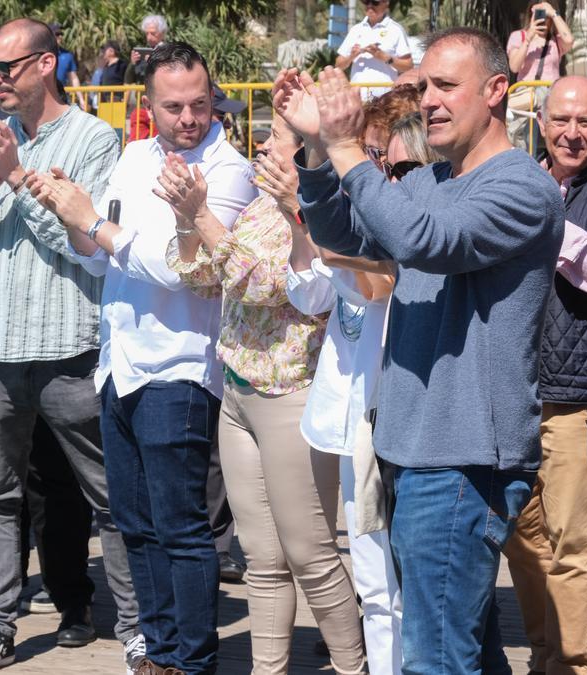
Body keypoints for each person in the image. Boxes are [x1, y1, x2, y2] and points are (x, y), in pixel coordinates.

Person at [274, 26, 564, 672]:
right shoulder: (431, 180)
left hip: (462, 463)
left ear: (496, 90)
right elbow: (346, 233)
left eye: (445, 86)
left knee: (433, 660)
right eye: (423, 85)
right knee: (461, 651)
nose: (428, 99)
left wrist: (349, 148)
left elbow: (423, 240)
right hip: (412, 453)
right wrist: (319, 153)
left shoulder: (522, 187)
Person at [29, 42, 257, 675]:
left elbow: (185, 271)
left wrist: (94, 225)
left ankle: (192, 662)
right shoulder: (132, 156)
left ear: (215, 99)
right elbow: (98, 255)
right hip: (120, 363)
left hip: (182, 368)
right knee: (135, 525)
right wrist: (71, 214)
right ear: (149, 105)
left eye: (200, 103)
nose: (189, 117)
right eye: (174, 106)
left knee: (183, 529)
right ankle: (157, 656)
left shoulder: (229, 169)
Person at [0, 19, 140, 675]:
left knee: (109, 495)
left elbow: (84, 246)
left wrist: (18, 177)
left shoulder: (94, 140)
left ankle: (138, 627)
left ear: (45, 65)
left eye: (5, 67)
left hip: (67, 347)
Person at [159, 117, 365, 674]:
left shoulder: (325, 215)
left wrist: (201, 215)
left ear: (304, 153)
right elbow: (204, 278)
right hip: (240, 396)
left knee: (312, 556)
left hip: (291, 397)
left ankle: (354, 667)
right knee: (264, 560)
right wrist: (185, 218)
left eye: (274, 136)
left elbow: (265, 284)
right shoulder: (256, 207)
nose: (261, 143)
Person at [499, 76, 587, 675]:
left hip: (579, 397)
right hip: (514, 392)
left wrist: (549, 222)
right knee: (523, 541)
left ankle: (570, 666)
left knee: (574, 543)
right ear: (541, 121)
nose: (574, 133)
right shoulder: (519, 178)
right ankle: (544, 657)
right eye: (563, 120)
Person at [286, 115, 406, 673]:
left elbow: (380, 282)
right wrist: (300, 222)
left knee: (393, 586)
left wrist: (318, 226)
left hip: (391, 424)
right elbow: (308, 293)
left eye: (382, 160)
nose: (368, 171)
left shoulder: (401, 227)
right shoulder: (345, 224)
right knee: (374, 584)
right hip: (347, 415)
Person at [506, 1, 574, 155]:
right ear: (531, 16)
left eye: (546, 16)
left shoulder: (556, 41)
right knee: (521, 137)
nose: (543, 20)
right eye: (538, 16)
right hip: (526, 96)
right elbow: (514, 66)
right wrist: (528, 38)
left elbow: (569, 40)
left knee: (550, 136)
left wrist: (554, 13)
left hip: (550, 97)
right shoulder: (518, 36)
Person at [335, 0, 413, 100]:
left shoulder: (396, 30)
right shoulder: (356, 29)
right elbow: (338, 65)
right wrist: (351, 56)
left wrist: (385, 58)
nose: (370, 6)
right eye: (366, 2)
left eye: (375, 3)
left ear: (386, 3)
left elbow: (408, 66)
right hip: (358, 98)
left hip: (385, 99)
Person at [124, 14, 168, 85]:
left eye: (153, 33)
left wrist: (152, 64)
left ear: (162, 33)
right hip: (141, 94)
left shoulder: (169, 51)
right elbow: (128, 80)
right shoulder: (143, 52)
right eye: (147, 34)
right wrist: (132, 63)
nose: (149, 37)